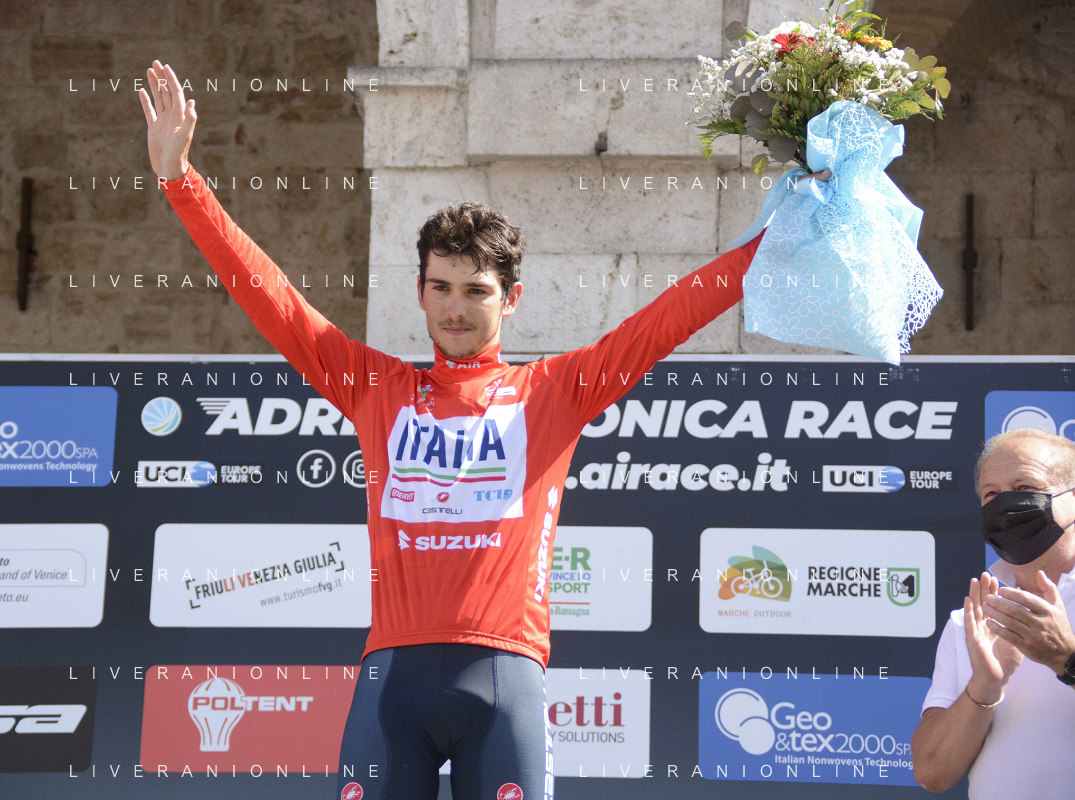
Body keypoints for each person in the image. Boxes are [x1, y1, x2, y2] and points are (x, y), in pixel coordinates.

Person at [139, 60, 771, 800]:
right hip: (392, 680)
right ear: (419, 291)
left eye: (476, 291)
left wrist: (785, 235)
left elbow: (672, 316)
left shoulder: (555, 390)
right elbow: (271, 297)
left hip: (504, 678)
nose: (455, 309)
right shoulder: (375, 387)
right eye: (439, 288)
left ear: (511, 299)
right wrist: (179, 180)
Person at [912, 427, 1075, 797]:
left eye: (1024, 487)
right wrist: (984, 686)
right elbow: (932, 773)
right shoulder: (971, 620)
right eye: (991, 494)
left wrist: (1066, 659)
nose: (1006, 506)